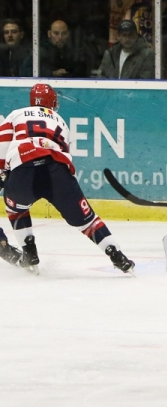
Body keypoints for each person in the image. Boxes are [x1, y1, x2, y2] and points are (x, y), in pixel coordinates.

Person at [0, 83, 135, 275]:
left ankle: (29, 252)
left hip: (24, 167)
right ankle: (117, 255)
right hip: (57, 171)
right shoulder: (61, 121)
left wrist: (3, 172)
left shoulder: (17, 114)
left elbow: (3, 142)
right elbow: (65, 154)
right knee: (88, 221)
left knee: (15, 208)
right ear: (52, 102)